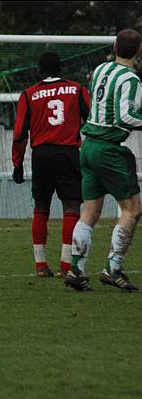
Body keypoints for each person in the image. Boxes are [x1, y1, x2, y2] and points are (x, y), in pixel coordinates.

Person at [64, 29, 142, 292]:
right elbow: (125, 117)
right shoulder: (131, 79)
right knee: (132, 209)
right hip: (109, 149)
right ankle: (113, 268)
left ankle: (76, 269)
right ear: (139, 50)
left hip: (88, 147)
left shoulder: (100, 69)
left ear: (114, 46)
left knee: (90, 211)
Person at [12, 51, 90, 278]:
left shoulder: (28, 94)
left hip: (41, 155)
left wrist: (17, 163)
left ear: (39, 71)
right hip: (67, 153)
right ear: (61, 69)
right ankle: (65, 267)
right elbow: (93, 120)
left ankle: (40, 265)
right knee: (72, 207)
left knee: (41, 207)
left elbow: (19, 134)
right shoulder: (77, 90)